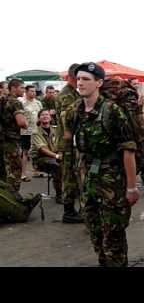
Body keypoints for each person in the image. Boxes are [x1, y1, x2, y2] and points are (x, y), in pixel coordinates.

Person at [67, 62, 139, 267]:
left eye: (86, 79)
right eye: (79, 79)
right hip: (89, 180)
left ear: (99, 83)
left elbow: (128, 150)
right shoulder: (77, 110)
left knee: (113, 239)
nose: (80, 83)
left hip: (112, 183)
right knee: (95, 234)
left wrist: (132, 187)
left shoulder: (111, 111)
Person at [56, 63, 83, 223]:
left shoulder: (73, 93)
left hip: (70, 141)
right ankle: (69, 211)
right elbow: (66, 117)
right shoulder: (67, 94)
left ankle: (71, 209)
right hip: (68, 143)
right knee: (69, 176)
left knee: (71, 174)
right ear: (73, 77)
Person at [1, 79, 28, 201]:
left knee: (4, 169)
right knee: (15, 169)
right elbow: (21, 122)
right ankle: (13, 196)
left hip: (2, 139)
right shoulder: (15, 102)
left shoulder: (2, 100)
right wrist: (26, 123)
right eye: (22, 88)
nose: (23, 90)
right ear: (14, 88)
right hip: (11, 141)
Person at [31, 109, 62, 203]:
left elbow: (61, 144)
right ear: (39, 118)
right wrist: (57, 156)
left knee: (71, 164)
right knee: (56, 166)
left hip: (55, 155)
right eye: (42, 115)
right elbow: (43, 149)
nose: (45, 116)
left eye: (47, 114)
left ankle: (73, 191)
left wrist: (61, 153)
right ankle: (59, 195)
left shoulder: (56, 129)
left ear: (50, 117)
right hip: (40, 159)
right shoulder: (35, 132)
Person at [20, 85, 43, 181]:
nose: (33, 93)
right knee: (25, 152)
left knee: (36, 151)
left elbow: (41, 114)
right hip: (26, 131)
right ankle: (23, 173)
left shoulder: (38, 103)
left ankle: (36, 170)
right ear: (26, 91)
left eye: (34, 91)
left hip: (36, 130)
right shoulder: (22, 102)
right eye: (31, 91)